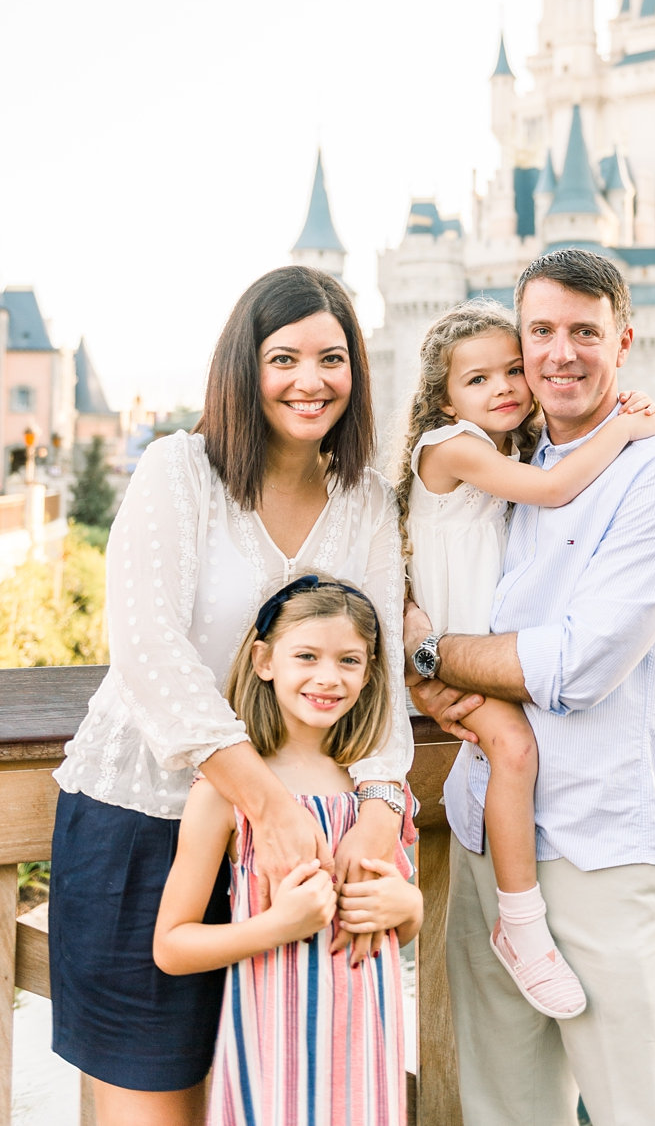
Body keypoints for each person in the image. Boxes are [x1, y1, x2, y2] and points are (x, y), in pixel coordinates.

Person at [49, 265, 413, 1126]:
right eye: (283, 357)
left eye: (332, 358)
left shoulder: (364, 500)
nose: (309, 380)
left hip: (296, 855)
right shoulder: (179, 471)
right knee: (154, 1107)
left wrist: (381, 804)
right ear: (243, 367)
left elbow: (384, 670)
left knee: (284, 1098)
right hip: (147, 829)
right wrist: (270, 804)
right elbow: (147, 650)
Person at [405, 247, 655, 1126]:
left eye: (583, 332)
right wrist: (410, 635)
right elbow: (411, 560)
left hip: (604, 850)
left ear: (622, 341)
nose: (557, 354)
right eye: (537, 333)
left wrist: (430, 654)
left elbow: (574, 667)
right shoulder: (501, 473)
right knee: (506, 1112)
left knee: (638, 1112)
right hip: (484, 839)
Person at [397, 299, 655, 1020]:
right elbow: (553, 489)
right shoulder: (453, 446)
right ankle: (521, 929)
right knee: (513, 748)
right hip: (450, 651)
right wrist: (627, 429)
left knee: (511, 747)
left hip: (470, 651)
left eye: (513, 370)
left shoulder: (497, 451)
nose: (505, 388)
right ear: (444, 396)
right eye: (478, 379)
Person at [154, 575, 422, 1126]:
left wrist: (409, 909)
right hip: (272, 1045)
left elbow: (396, 917)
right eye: (307, 656)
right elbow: (172, 946)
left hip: (366, 1044)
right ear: (264, 661)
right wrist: (279, 926)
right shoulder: (228, 795)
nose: (328, 677)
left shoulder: (375, 793)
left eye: (350, 660)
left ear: (370, 671)